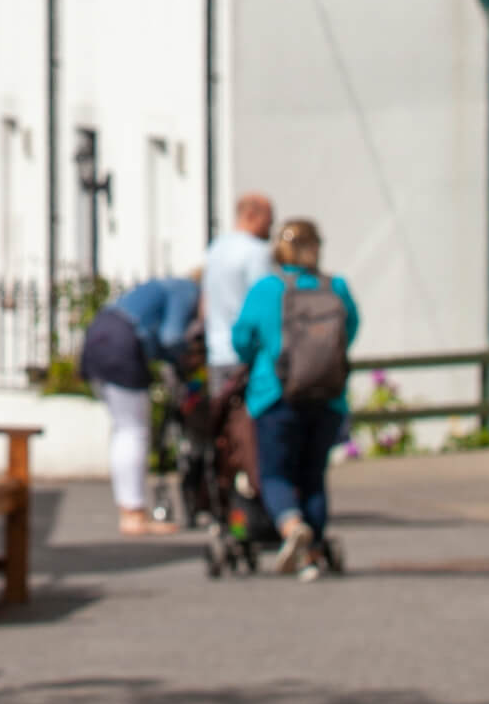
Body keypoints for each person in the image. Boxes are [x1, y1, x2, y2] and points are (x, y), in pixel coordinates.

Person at [232, 218, 359, 580]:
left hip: (275, 394)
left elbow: (242, 339)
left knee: (275, 472)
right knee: (313, 475)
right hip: (328, 397)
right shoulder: (337, 288)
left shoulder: (266, 289)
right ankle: (312, 552)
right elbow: (349, 332)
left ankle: (291, 527)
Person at [80, 272, 204, 536]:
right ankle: (133, 514)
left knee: (123, 428)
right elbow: (172, 336)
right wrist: (182, 359)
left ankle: (130, 510)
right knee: (133, 431)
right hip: (122, 343)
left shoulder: (162, 285)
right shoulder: (186, 289)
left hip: (98, 335)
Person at [200, 192, 277, 396]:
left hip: (216, 353)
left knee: (224, 424)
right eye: (268, 221)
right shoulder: (256, 251)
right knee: (249, 425)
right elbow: (265, 305)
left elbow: (204, 304)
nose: (271, 228)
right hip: (246, 355)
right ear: (252, 215)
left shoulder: (215, 249)